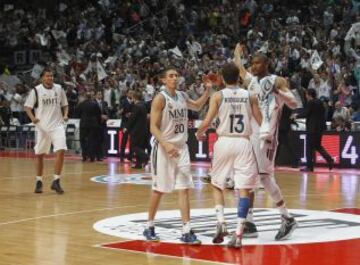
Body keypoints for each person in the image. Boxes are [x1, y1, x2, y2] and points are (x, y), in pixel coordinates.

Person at [234, 44, 299, 241]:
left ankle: (287, 218)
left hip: (267, 137)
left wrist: (280, 94)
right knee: (249, 178)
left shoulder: (276, 80)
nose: (253, 66)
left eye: (257, 63)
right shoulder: (252, 82)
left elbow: (294, 103)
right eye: (252, 63)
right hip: (252, 136)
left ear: (266, 64)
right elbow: (239, 67)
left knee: (264, 177)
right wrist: (238, 52)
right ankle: (250, 222)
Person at [196, 62, 262, 248]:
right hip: (243, 142)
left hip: (224, 141)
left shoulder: (217, 96)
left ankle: (221, 222)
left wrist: (199, 133)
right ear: (238, 78)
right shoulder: (250, 96)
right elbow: (260, 120)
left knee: (217, 184)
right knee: (244, 189)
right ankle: (239, 235)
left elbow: (207, 121)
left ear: (223, 78)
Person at [143, 67, 210, 244]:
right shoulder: (160, 98)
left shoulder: (181, 95)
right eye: (171, 76)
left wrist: (209, 90)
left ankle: (186, 230)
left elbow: (197, 105)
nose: (174, 78)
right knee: (159, 189)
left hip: (181, 147)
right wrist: (165, 143)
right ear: (163, 80)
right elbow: (153, 127)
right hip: (164, 148)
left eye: (176, 75)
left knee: (184, 188)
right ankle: (149, 226)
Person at [24, 68, 68, 194]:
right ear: (42, 78)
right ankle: (39, 181)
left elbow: (65, 104)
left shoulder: (59, 89)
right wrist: (33, 119)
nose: (50, 78)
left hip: (57, 125)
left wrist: (65, 114)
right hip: (42, 127)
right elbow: (27, 107)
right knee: (40, 155)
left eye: (52, 76)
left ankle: (56, 181)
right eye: (48, 76)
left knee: (61, 150)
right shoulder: (36, 90)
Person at [295, 89, 334, 171]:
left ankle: (309, 167)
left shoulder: (311, 102)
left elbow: (306, 113)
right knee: (318, 146)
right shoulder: (320, 102)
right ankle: (330, 160)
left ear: (309, 95)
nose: (306, 96)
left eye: (306, 94)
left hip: (312, 129)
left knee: (309, 148)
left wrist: (296, 115)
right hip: (319, 128)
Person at [125, 91, 149, 169]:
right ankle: (138, 164)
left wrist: (127, 127)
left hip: (136, 130)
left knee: (134, 146)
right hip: (144, 129)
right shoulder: (144, 105)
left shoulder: (137, 106)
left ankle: (146, 156)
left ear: (134, 97)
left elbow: (132, 119)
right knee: (140, 146)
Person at [76, 89, 101, 162]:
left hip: (83, 124)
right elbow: (98, 114)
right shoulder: (95, 104)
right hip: (93, 124)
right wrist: (98, 122)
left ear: (85, 97)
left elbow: (77, 113)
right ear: (91, 97)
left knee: (83, 140)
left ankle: (84, 156)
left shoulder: (81, 104)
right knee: (92, 141)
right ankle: (92, 157)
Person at [95, 90, 109, 161]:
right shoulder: (94, 102)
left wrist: (106, 116)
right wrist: (100, 116)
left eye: (101, 94)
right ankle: (96, 154)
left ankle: (103, 154)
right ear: (95, 95)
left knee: (104, 139)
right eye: (98, 94)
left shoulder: (105, 103)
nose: (100, 95)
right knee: (97, 140)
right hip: (96, 124)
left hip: (103, 124)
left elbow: (107, 112)